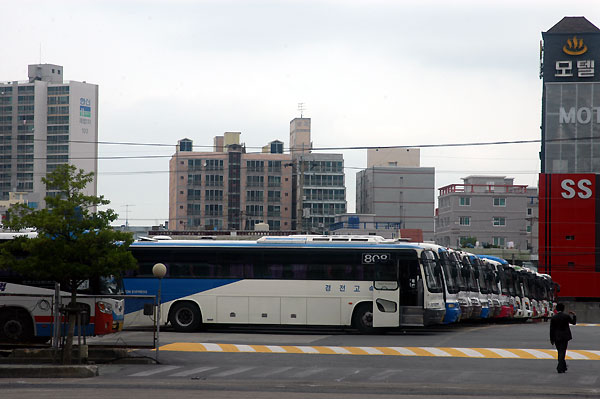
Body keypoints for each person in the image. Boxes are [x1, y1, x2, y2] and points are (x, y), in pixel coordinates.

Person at [550, 303, 576, 373]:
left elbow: (551, 329)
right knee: (562, 351)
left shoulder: (554, 317)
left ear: (556, 309)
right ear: (563, 309)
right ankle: (560, 367)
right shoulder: (566, 316)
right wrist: (574, 315)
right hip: (565, 336)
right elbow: (573, 323)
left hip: (556, 337)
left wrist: (551, 339)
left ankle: (563, 367)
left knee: (559, 351)